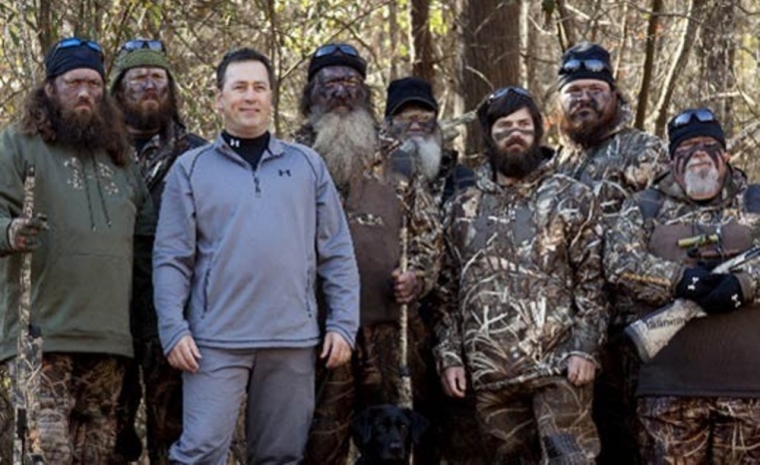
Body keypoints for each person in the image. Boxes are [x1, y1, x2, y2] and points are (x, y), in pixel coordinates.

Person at [153, 47, 359, 464]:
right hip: (214, 342)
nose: (250, 97)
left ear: (271, 97)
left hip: (292, 339)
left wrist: (343, 323)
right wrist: (173, 329)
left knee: (280, 456)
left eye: (259, 88)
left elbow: (336, 252)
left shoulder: (307, 165)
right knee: (201, 451)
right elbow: (172, 257)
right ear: (219, 98)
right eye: (239, 87)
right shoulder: (191, 169)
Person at [0, 37, 154, 463]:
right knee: (46, 457)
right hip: (40, 339)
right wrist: (9, 232)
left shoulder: (119, 157)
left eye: (93, 83)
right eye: (73, 82)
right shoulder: (17, 145)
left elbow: (147, 243)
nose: (85, 92)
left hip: (110, 342)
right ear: (49, 88)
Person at [434, 86, 606, 463]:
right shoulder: (461, 206)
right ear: (488, 135)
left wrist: (584, 348)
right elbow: (445, 291)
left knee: (570, 461)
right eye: (504, 126)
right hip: (489, 376)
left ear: (538, 129)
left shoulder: (571, 196)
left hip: (558, 368)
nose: (515, 133)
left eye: (524, 125)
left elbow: (592, 280)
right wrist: (449, 357)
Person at [294, 44, 442, 465]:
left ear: (365, 92)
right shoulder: (292, 156)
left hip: (390, 333)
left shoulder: (398, 157)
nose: (341, 91)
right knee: (321, 444)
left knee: (394, 450)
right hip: (318, 332)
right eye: (330, 82)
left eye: (350, 82)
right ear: (312, 93)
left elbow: (429, 235)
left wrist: (419, 277)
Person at [605, 108, 760, 463]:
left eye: (709, 144)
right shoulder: (644, 207)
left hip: (751, 393)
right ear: (672, 159)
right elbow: (618, 265)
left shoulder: (756, 201)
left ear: (726, 155)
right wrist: (679, 280)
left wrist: (745, 284)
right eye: (687, 147)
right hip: (667, 394)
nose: (699, 153)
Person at [554, 41, 669, 464]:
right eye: (574, 91)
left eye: (594, 89)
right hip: (571, 326)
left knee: (633, 438)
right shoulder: (559, 162)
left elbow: (668, 229)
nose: (584, 99)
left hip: (630, 326)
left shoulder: (644, 150)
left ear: (614, 95)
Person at [108, 38, 207, 464]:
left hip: (175, 318)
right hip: (108, 314)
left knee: (175, 434)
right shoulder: (94, 152)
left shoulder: (199, 153)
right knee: (109, 434)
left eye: (157, 77)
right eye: (138, 78)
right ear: (118, 89)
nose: (149, 86)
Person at [382, 76, 483, 463]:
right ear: (388, 124)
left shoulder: (463, 180)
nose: (417, 122)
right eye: (406, 116)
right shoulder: (378, 175)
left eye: (425, 115)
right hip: (399, 325)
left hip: (455, 325)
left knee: (458, 435)